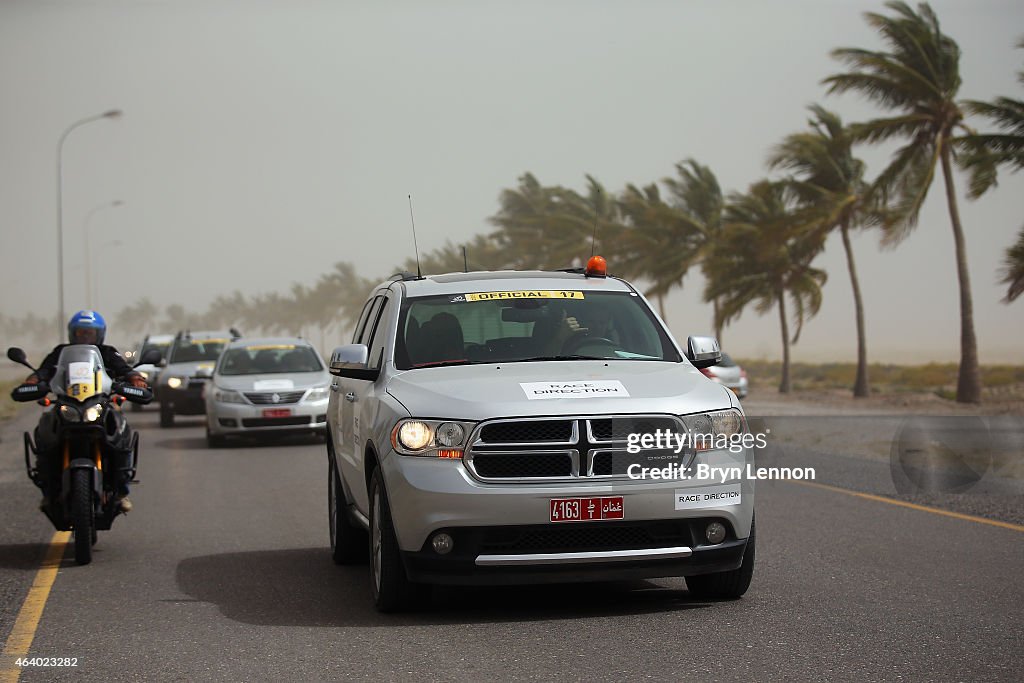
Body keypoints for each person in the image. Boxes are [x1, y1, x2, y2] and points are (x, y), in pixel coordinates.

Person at [24, 310, 148, 513]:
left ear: (99, 334)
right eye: (81, 333)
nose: (85, 337)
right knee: (45, 429)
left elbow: (124, 369)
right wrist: (33, 380)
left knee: (121, 431)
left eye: (90, 333)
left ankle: (122, 490)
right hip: (67, 404)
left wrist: (135, 378)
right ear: (73, 333)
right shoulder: (60, 352)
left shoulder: (107, 352)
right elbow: (44, 371)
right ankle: (48, 491)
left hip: (99, 403)